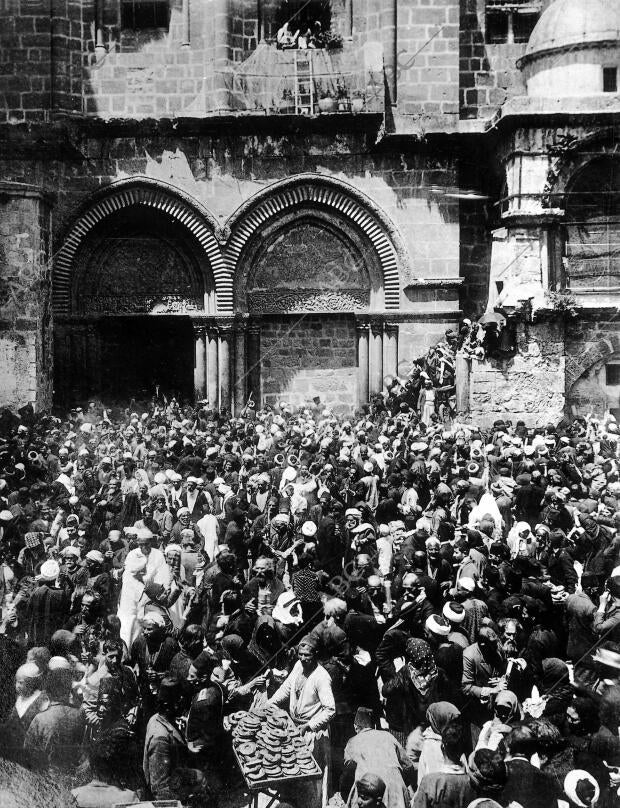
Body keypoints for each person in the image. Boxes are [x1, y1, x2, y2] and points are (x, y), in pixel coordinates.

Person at [268, 634, 335, 808]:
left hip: (313, 732)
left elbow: (330, 709)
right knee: (292, 770)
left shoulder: (322, 677)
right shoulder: (298, 666)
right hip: (295, 726)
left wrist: (309, 725)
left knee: (309, 776)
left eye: (308, 655)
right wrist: (270, 704)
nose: (304, 658)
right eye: (301, 654)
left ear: (316, 655)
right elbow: (287, 687)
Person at [341, 706, 414, 808]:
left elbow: (347, 770)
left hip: (367, 789)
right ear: (374, 725)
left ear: (355, 727)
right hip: (394, 788)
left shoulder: (352, 741)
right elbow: (408, 765)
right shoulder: (388, 736)